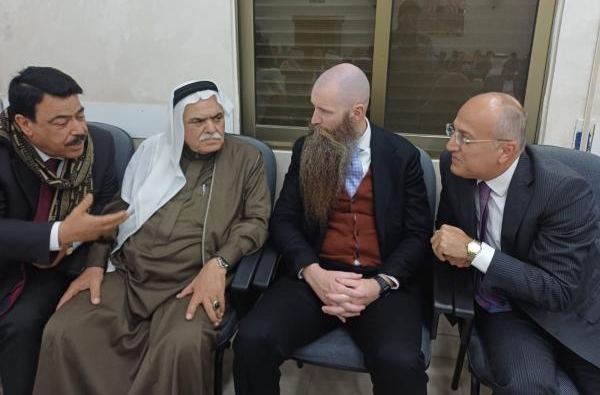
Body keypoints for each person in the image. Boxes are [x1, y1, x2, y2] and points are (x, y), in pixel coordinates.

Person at [33, 80, 271, 395]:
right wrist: (95, 264)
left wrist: (219, 263)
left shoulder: (246, 158)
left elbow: (256, 222)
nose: (212, 128)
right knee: (64, 331)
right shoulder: (153, 152)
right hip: (130, 274)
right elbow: (117, 211)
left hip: (194, 280)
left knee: (181, 346)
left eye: (217, 118)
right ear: (177, 126)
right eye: (198, 121)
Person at [234, 63, 432, 395]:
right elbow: (283, 220)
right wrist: (312, 272)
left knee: (400, 361)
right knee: (252, 340)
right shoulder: (306, 149)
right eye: (314, 107)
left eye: (324, 111)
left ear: (356, 112)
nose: (314, 119)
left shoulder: (402, 156)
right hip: (317, 275)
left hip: (380, 281)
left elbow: (418, 234)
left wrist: (378, 285)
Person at [432, 92, 600, 394]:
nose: (451, 145)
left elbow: (558, 290)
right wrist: (448, 248)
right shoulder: (455, 167)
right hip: (503, 307)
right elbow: (449, 228)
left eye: (465, 138)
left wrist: (473, 251)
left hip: (570, 313)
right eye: (452, 130)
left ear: (505, 150)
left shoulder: (564, 191)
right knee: (527, 385)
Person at [0, 66, 127, 395]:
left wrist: (95, 263)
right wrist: (59, 233)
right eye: (61, 122)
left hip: (66, 263)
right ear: (24, 124)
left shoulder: (100, 145)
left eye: (80, 115)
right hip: (10, 264)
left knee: (30, 324)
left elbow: (108, 210)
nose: (79, 130)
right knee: (20, 325)